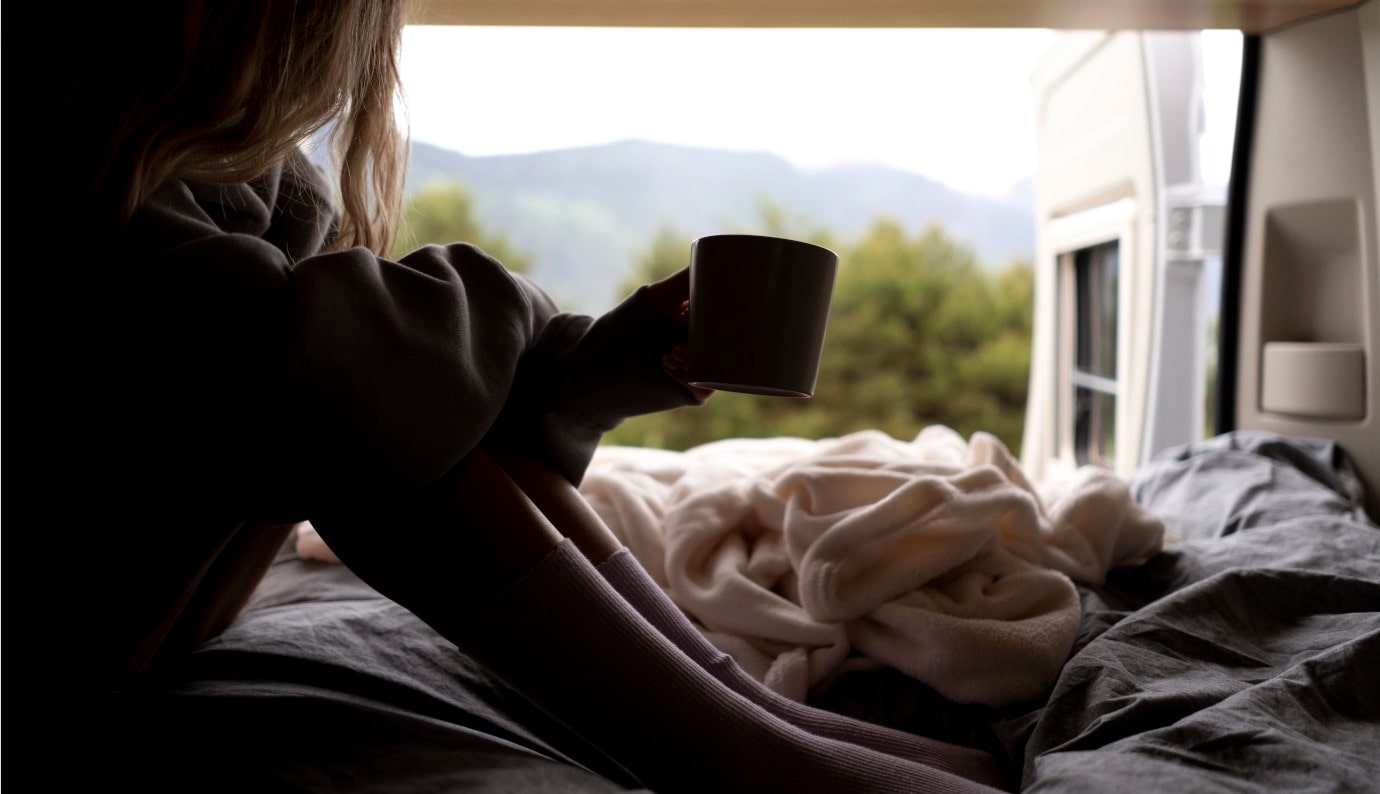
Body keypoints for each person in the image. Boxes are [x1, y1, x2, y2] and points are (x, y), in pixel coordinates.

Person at [32, 2, 1012, 792]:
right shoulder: (48, 172)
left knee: (388, 387)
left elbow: (317, 366)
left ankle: (756, 718)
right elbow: (312, 367)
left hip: (132, 621)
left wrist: (582, 380)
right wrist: (534, 326)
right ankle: (743, 751)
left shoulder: (183, 189)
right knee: (366, 393)